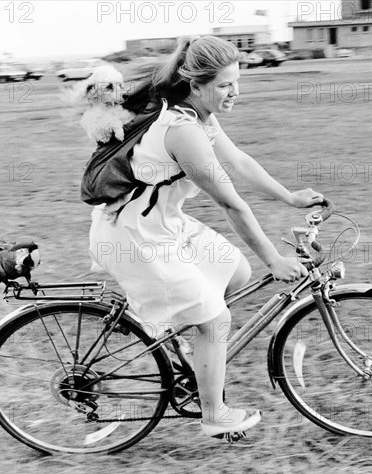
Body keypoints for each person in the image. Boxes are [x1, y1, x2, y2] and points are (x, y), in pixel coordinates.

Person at [88, 35, 324, 439]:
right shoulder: (182, 131)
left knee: (235, 272)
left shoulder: (198, 114)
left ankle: (179, 342)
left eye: (236, 81)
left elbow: (239, 161)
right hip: (135, 238)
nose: (235, 92)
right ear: (196, 85)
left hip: (162, 224)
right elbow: (232, 205)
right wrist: (275, 259)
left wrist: (289, 196)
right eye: (224, 85)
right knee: (217, 321)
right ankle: (214, 414)